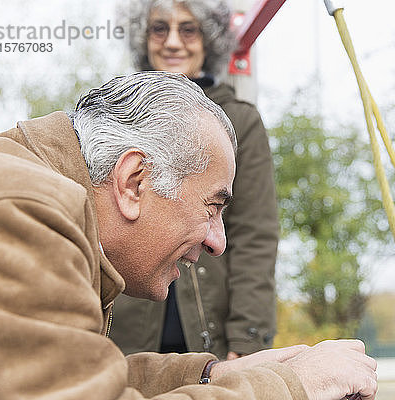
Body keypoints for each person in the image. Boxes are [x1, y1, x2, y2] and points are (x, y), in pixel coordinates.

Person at [0, 71, 378, 399]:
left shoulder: (29, 198)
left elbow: (79, 380)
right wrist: (291, 387)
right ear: (134, 182)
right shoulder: (21, 213)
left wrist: (217, 374)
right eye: (213, 207)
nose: (218, 242)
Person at [111, 0, 279, 360]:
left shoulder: (240, 122)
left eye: (188, 29)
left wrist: (248, 339)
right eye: (160, 28)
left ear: (210, 39)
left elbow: (254, 236)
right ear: (144, 37)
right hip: (123, 341)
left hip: (212, 339)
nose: (173, 42)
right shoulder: (113, 115)